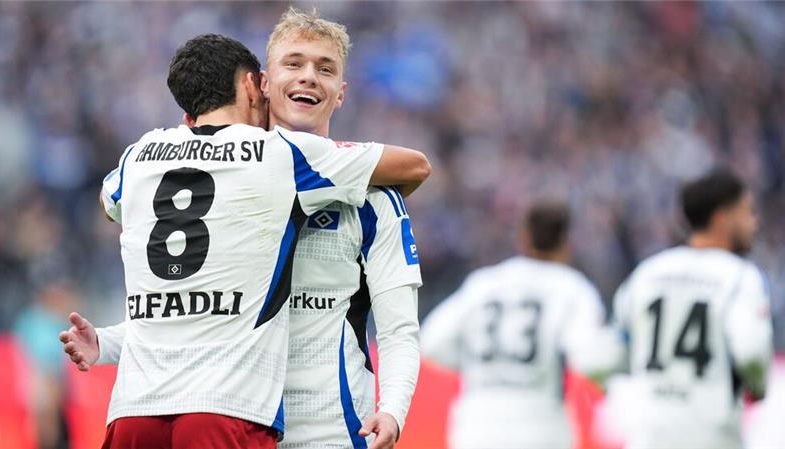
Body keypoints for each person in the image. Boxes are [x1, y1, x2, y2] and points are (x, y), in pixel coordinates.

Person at [61, 33, 430, 449]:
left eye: (325, 68)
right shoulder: (272, 159)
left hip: (330, 433)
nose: (309, 77)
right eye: (294, 64)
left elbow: (399, 328)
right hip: (239, 415)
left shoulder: (374, 199)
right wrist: (110, 343)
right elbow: (202, 314)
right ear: (261, 84)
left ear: (341, 93)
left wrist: (394, 409)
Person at [421, 201, 608, 449]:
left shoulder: (483, 283)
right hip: (540, 425)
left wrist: (477, 364)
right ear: (566, 243)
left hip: (476, 425)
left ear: (523, 237)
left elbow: (431, 341)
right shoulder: (572, 288)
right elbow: (589, 355)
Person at [611, 169, 773, 449]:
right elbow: (751, 351)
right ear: (722, 218)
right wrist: (757, 386)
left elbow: (616, 343)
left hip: (650, 433)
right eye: (747, 212)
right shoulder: (739, 277)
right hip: (710, 433)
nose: (754, 223)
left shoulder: (648, 272)